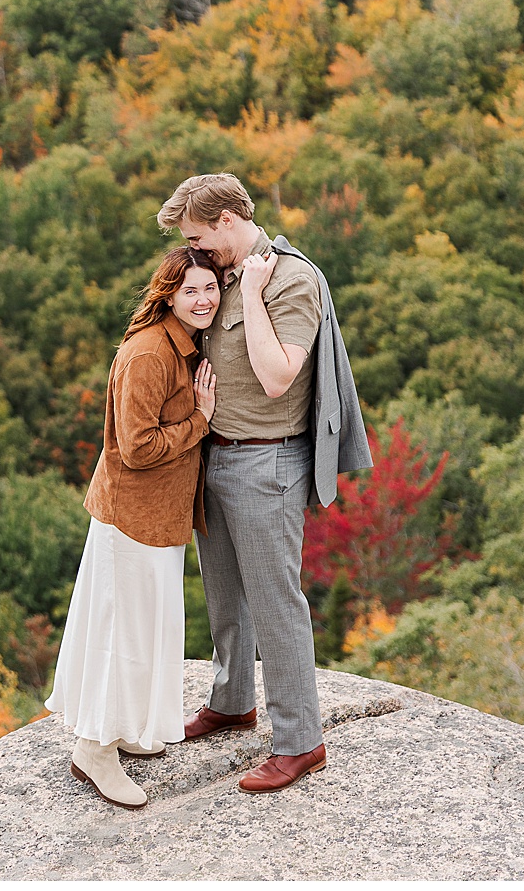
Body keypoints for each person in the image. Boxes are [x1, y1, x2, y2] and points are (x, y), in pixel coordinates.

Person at [158, 172, 371, 794]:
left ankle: (301, 742)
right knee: (225, 593)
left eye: (201, 236)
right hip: (214, 453)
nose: (197, 248)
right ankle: (232, 701)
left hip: (266, 462)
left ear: (228, 221)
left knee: (277, 603)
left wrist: (250, 293)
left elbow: (278, 376)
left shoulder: (291, 278)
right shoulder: (217, 270)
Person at [47, 245, 220, 809]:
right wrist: (200, 420)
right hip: (132, 517)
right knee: (120, 632)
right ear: (168, 292)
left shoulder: (184, 347)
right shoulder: (148, 353)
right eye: (190, 289)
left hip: (159, 518)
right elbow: (140, 447)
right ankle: (93, 750)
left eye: (210, 288)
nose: (203, 300)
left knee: (142, 629)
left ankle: (119, 729)